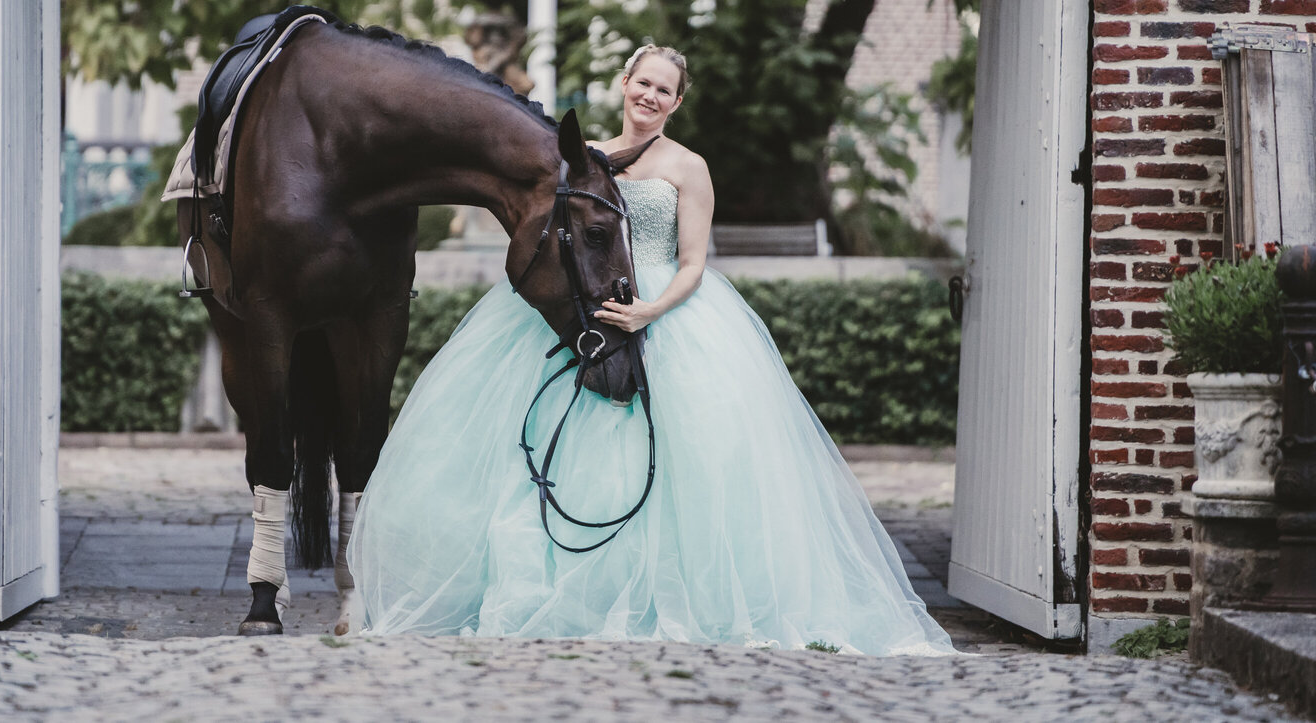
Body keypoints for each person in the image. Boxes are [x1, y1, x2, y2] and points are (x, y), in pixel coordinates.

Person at [347, 44, 954, 654]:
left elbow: (693, 263)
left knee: (672, 456)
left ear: (677, 103)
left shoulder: (689, 167)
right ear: (624, 83)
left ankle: (655, 594)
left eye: (664, 90)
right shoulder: (584, 158)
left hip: (659, 307)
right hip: (585, 299)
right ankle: (547, 587)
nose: (650, 96)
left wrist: (649, 311)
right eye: (643, 83)